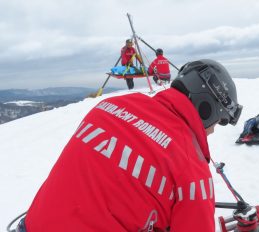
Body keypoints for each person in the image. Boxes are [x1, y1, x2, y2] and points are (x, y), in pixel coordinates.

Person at [22, 59, 243, 232]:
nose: (213, 130)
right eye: (218, 121)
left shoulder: (108, 106)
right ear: (206, 110)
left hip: (32, 224)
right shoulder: (193, 175)